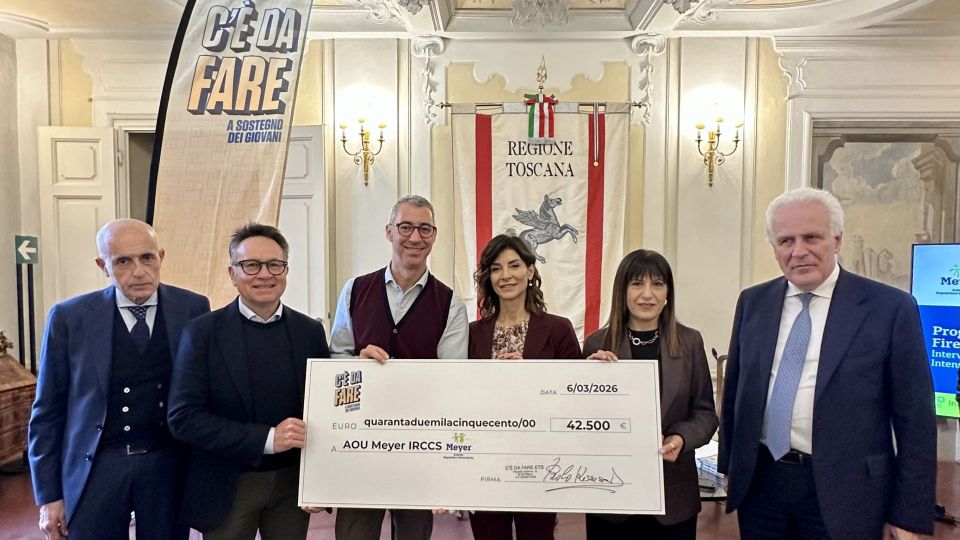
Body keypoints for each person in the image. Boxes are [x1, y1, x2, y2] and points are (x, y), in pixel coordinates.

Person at [718, 187, 936, 539]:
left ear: (837, 239)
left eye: (811, 237)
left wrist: (908, 514)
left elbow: (916, 421)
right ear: (774, 247)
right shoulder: (753, 303)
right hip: (761, 486)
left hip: (848, 491)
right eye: (785, 241)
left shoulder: (890, 308)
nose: (798, 251)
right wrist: (730, 467)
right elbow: (735, 394)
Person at [27, 219, 210, 540]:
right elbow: (47, 411)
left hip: (167, 464)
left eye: (147, 258)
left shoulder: (192, 308)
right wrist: (48, 496)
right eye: (123, 261)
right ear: (103, 266)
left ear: (161, 257)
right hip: (97, 464)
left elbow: (204, 392)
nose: (138, 271)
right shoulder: (70, 317)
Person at [167, 223, 330, 539]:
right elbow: (184, 418)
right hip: (227, 482)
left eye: (275, 264)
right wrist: (268, 439)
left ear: (286, 270)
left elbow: (325, 410)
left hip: (292, 484)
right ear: (233, 274)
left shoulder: (310, 332)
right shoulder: (201, 333)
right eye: (251, 265)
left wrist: (320, 479)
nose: (265, 274)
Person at [330, 194, 468, 540]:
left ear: (434, 235)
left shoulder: (450, 303)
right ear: (389, 231)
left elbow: (452, 379)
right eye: (405, 227)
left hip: (419, 446)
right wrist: (357, 365)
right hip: (360, 443)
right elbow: (335, 361)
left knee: (413, 534)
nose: (415, 237)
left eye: (425, 229)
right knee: (354, 533)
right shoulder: (354, 290)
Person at [582, 249, 718, 540]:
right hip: (611, 493)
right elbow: (580, 420)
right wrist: (591, 380)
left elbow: (705, 413)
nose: (647, 294)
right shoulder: (597, 344)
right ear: (622, 291)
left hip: (673, 494)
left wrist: (680, 438)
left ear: (668, 292)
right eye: (637, 284)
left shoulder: (690, 342)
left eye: (657, 284)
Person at [467, 234, 581, 540]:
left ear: (530, 271)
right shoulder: (472, 334)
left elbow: (574, 396)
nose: (505, 275)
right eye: (496, 268)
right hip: (486, 461)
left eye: (514, 265)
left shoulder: (559, 329)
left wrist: (531, 376)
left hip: (540, 462)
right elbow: (461, 396)